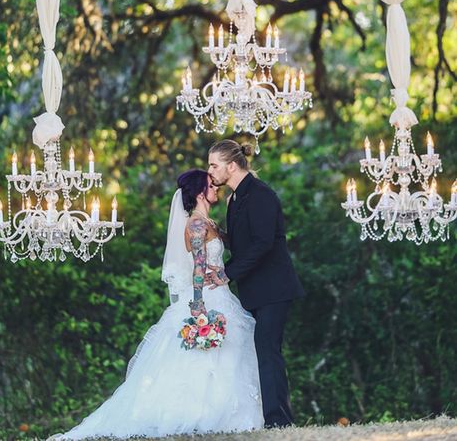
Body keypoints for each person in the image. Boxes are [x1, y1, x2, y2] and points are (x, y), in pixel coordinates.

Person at [49, 169, 263, 440]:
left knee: (228, 355)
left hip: (221, 293)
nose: (216, 188)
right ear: (200, 193)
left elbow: (231, 244)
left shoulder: (206, 222)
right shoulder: (196, 225)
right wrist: (198, 306)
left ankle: (231, 417)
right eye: (211, 185)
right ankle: (198, 415)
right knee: (201, 358)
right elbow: (198, 267)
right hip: (206, 297)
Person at [208, 140, 304, 429]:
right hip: (255, 291)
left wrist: (227, 273)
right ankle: (271, 417)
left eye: (214, 165)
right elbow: (246, 240)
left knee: (268, 350)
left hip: (274, 288)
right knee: (261, 350)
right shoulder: (235, 199)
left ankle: (279, 420)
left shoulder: (261, 195)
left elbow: (263, 243)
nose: (210, 171)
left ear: (232, 166)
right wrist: (221, 235)